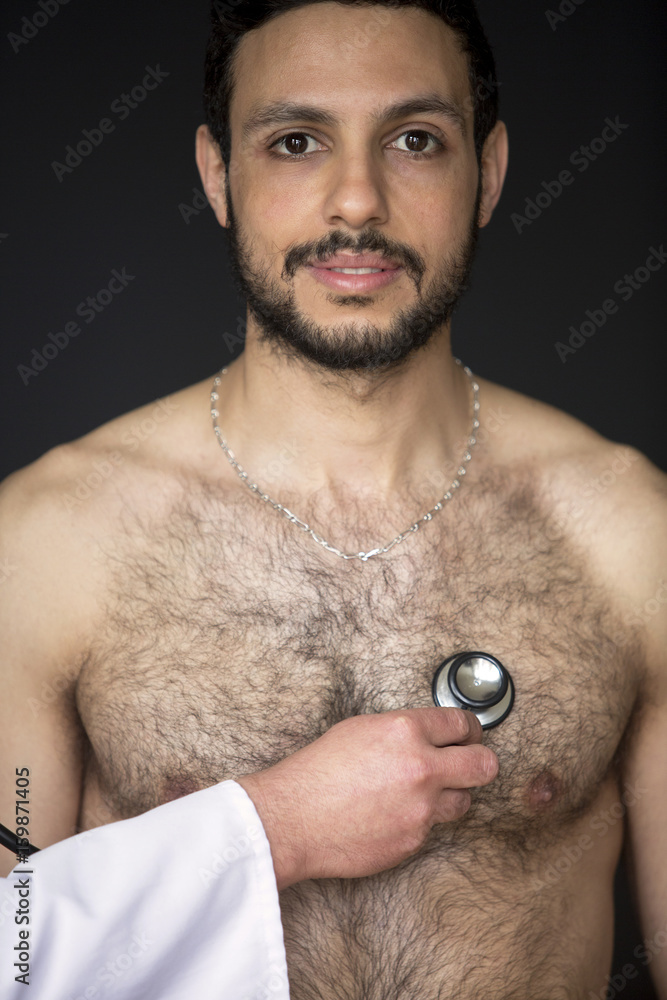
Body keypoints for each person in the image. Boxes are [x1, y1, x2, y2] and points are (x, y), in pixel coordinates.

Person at [1, 1, 665, 997]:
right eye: (296, 142)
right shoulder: (46, 542)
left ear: (485, 171)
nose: (356, 201)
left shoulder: (627, 533)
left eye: (413, 140)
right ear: (218, 174)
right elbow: (6, 948)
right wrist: (270, 829)